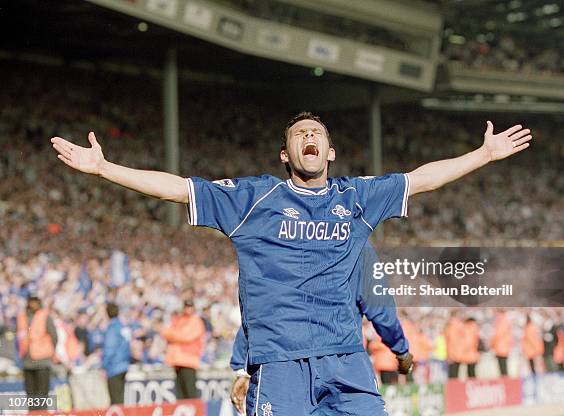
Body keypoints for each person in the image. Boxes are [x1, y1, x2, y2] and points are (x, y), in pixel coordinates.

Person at [51, 112, 532, 415]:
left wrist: (483, 155)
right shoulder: (253, 200)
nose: (309, 137)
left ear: (330, 151)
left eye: (317, 133)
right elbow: (179, 188)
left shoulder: (357, 199)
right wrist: (105, 169)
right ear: (287, 154)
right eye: (300, 134)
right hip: (279, 367)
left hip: (346, 362)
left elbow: (421, 180)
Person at [229, 242, 413, 413]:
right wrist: (401, 350)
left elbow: (260, 307)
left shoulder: (277, 238)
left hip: (283, 362)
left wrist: (242, 367)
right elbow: (380, 307)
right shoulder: (354, 237)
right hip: (343, 360)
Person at [16, 295, 58, 411]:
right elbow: (19, 338)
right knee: (30, 395)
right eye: (32, 302)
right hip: (27, 361)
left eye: (36, 302)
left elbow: (54, 336)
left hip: (42, 361)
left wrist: (48, 351)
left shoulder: (45, 316)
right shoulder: (22, 317)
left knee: (42, 395)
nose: (34, 304)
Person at [160, 299, 205, 400]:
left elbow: (186, 336)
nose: (188, 309)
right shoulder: (179, 319)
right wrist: (175, 335)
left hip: (189, 361)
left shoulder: (196, 321)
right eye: (186, 306)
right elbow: (164, 332)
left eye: (190, 306)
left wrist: (173, 335)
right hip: (177, 361)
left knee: (190, 393)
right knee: (180, 395)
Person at [102, 303, 131, 405]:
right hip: (124, 365)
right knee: (120, 399)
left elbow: (109, 350)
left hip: (114, 368)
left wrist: (104, 366)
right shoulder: (123, 327)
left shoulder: (112, 328)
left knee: (116, 402)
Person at [490, 309, 513, 376]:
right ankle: (506, 382)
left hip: (500, 347)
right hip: (504, 347)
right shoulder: (505, 320)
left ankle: (505, 383)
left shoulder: (500, 321)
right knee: (504, 367)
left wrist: (492, 344)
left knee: (503, 368)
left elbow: (497, 335)